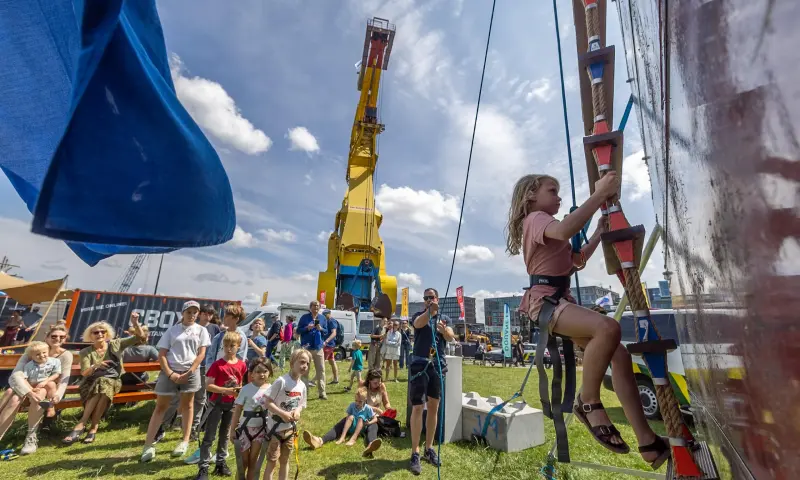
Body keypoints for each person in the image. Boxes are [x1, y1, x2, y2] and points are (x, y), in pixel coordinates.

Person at [505, 172, 670, 468]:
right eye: (552, 190)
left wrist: (596, 233)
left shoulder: (547, 226)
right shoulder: (537, 219)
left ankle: (648, 442)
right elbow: (568, 228)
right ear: (531, 196)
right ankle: (588, 401)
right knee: (608, 328)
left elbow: (575, 262)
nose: (558, 197)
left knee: (618, 355)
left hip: (557, 300)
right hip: (545, 303)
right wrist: (598, 195)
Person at [141, 300, 211, 462]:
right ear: (183, 313)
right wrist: (170, 373)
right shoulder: (172, 330)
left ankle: (184, 441)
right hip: (170, 371)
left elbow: (201, 353)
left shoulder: (201, 331)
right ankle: (148, 445)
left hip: (190, 372)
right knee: (161, 407)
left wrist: (191, 371)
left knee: (188, 405)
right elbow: (162, 354)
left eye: (195, 312)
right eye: (189, 312)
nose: (192, 315)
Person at [63, 313, 147, 445]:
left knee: (104, 383)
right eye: (96, 332)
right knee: (102, 387)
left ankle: (81, 423)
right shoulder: (86, 351)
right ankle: (93, 428)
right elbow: (84, 373)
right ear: (90, 335)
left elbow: (140, 338)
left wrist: (135, 323)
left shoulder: (116, 344)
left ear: (107, 334)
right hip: (90, 383)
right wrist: (96, 365)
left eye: (103, 332)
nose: (100, 334)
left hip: (113, 380)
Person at [0, 324, 72, 453]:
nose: (58, 339)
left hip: (47, 390)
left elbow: (63, 379)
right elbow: (16, 375)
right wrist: (28, 391)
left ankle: (31, 437)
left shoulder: (65, 356)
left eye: (62, 337)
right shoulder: (33, 351)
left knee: (38, 393)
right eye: (54, 336)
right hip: (27, 387)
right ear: (47, 337)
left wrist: (57, 396)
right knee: (14, 397)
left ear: (66, 338)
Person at [407, 287, 455, 475]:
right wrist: (430, 311)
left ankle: (429, 448)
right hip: (420, 364)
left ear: (437, 298)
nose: (428, 300)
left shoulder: (444, 318)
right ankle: (415, 452)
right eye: (426, 298)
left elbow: (451, 337)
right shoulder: (419, 314)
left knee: (434, 407)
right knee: (418, 407)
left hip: (437, 365)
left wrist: (445, 332)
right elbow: (419, 324)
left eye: (431, 297)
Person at [195, 331, 248, 480]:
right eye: (226, 345)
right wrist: (226, 390)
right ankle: (203, 467)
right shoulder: (217, 365)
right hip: (216, 404)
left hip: (231, 405)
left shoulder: (242, 365)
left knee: (225, 435)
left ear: (238, 347)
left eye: (232, 345)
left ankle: (220, 463)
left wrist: (239, 394)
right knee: (209, 436)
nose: (229, 348)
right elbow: (208, 385)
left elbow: (240, 383)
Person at [261, 349, 309, 480]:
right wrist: (282, 413)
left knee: (285, 460)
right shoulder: (281, 381)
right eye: (302, 362)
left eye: (307, 363)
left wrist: (298, 411)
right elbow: (267, 402)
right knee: (272, 461)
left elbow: (301, 404)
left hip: (290, 430)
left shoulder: (302, 386)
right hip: (275, 429)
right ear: (292, 363)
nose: (305, 365)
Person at [302, 386, 382, 457]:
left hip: (362, 427)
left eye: (360, 401)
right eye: (356, 400)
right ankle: (321, 441)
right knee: (347, 418)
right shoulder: (352, 405)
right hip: (352, 426)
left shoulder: (368, 408)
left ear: (365, 400)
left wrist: (369, 423)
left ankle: (370, 444)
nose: (357, 403)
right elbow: (348, 418)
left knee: (371, 423)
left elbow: (375, 419)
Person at [231, 358, 273, 480]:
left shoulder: (271, 389)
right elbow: (238, 410)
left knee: (253, 461)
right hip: (245, 429)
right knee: (243, 462)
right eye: (258, 371)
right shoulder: (246, 389)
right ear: (251, 374)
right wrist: (232, 430)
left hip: (261, 430)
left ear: (269, 372)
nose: (262, 374)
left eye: (265, 371)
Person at [296, 301, 328, 400]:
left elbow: (326, 332)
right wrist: (307, 328)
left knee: (321, 370)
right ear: (310, 308)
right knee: (305, 370)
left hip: (318, 347)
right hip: (306, 348)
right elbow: (298, 331)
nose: (316, 308)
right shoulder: (304, 317)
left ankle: (322, 393)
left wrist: (321, 328)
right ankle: (305, 393)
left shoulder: (322, 318)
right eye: (314, 306)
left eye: (318, 306)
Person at [16, 342, 61, 409]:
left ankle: (51, 407)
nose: (42, 355)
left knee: (51, 384)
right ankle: (36, 404)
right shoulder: (29, 366)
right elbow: (24, 379)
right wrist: (31, 389)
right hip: (33, 385)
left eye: (44, 352)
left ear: (48, 351)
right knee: (39, 393)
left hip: (46, 384)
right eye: (37, 354)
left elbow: (56, 374)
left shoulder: (54, 361)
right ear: (32, 356)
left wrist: (45, 381)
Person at [321, 310, 340, 385]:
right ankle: (336, 379)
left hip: (329, 345)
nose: (324, 316)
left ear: (329, 314)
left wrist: (326, 341)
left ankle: (313, 381)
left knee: (321, 363)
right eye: (323, 315)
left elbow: (334, 333)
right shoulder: (326, 321)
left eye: (325, 315)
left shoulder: (332, 321)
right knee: (332, 362)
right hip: (328, 344)